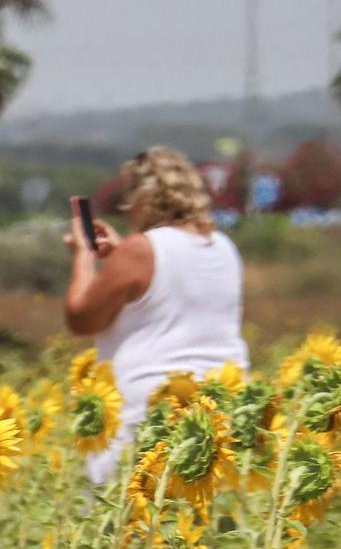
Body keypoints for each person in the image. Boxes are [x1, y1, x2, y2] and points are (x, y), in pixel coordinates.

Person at [65, 146, 248, 484]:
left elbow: (81, 318)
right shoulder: (223, 246)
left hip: (149, 418)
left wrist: (83, 255)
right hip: (219, 410)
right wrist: (121, 256)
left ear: (142, 197)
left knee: (129, 524)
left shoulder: (140, 249)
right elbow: (173, 293)